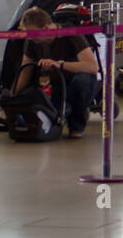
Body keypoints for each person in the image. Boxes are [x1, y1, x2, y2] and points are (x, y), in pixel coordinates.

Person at [15, 7, 99, 139]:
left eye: (33, 33)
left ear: (46, 27)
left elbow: (92, 67)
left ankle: (76, 124)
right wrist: (14, 95)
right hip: (50, 86)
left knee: (83, 80)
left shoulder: (71, 34)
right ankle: (63, 111)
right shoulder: (31, 41)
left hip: (73, 82)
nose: (30, 38)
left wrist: (59, 65)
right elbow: (25, 70)